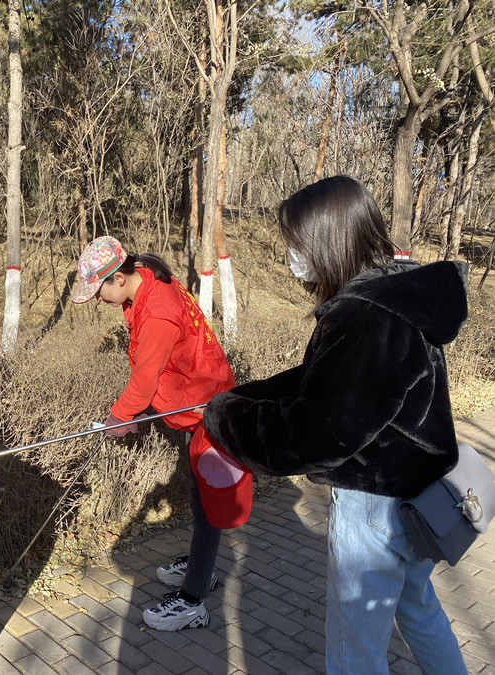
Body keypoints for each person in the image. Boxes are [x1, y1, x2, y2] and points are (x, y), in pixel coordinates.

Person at [203, 175, 468, 674]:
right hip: (416, 494)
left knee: (354, 654)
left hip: (375, 506)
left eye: (297, 244)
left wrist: (225, 419)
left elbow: (318, 433)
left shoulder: (364, 315)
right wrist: (247, 396)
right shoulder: (396, 293)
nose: (292, 256)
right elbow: (328, 380)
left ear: (329, 241)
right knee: (419, 610)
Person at [70, 236, 236, 631]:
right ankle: (201, 566)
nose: (98, 300)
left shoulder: (157, 312)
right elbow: (158, 367)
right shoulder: (147, 282)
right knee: (199, 493)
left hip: (205, 407)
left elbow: (144, 381)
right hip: (194, 400)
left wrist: (118, 416)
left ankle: (193, 600)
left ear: (118, 278)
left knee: (206, 504)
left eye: (98, 291)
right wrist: (134, 412)